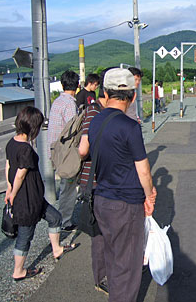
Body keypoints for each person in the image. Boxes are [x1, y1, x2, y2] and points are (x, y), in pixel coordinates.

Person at [88, 68, 157, 302]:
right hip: (126, 204)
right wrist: (150, 196)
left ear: (105, 93)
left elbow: (84, 152)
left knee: (112, 255)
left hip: (101, 199)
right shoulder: (130, 126)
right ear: (133, 96)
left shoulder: (95, 120)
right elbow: (143, 170)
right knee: (127, 266)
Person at [5, 106, 78, 281]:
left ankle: (57, 249)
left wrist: (8, 187)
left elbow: (8, 166)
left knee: (55, 218)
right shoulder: (26, 150)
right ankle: (18, 270)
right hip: (27, 199)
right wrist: (13, 193)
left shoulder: (12, 143)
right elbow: (21, 174)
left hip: (35, 198)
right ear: (33, 127)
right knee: (25, 235)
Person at [78, 68, 110, 295]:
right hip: (94, 181)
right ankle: (100, 278)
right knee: (99, 233)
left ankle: (107, 273)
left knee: (107, 231)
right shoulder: (93, 112)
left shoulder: (107, 113)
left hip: (106, 181)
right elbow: (82, 150)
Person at [48, 70, 80, 232]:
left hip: (54, 150)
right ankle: (64, 222)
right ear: (78, 85)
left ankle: (61, 219)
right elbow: (72, 130)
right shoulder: (69, 104)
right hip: (65, 152)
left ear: (62, 84)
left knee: (65, 185)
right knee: (68, 188)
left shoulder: (57, 101)